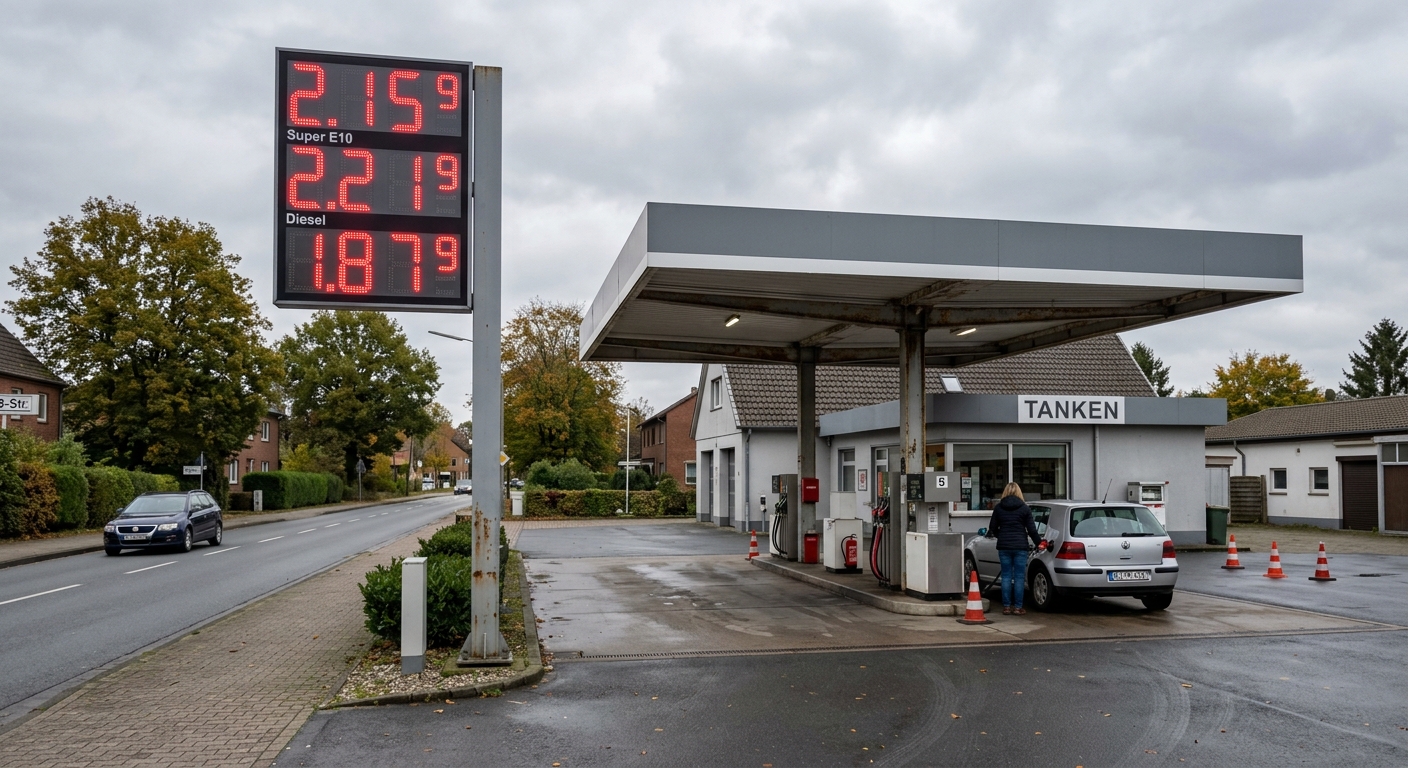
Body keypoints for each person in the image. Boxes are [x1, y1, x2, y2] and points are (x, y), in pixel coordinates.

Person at [985, 482, 1042, 615]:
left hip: (1004, 546)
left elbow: (992, 529)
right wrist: (1039, 543)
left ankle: (1006, 606)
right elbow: (1032, 531)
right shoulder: (1024, 508)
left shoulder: (999, 508)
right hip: (1020, 546)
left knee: (1005, 576)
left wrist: (1002, 536)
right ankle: (1017, 607)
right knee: (1019, 577)